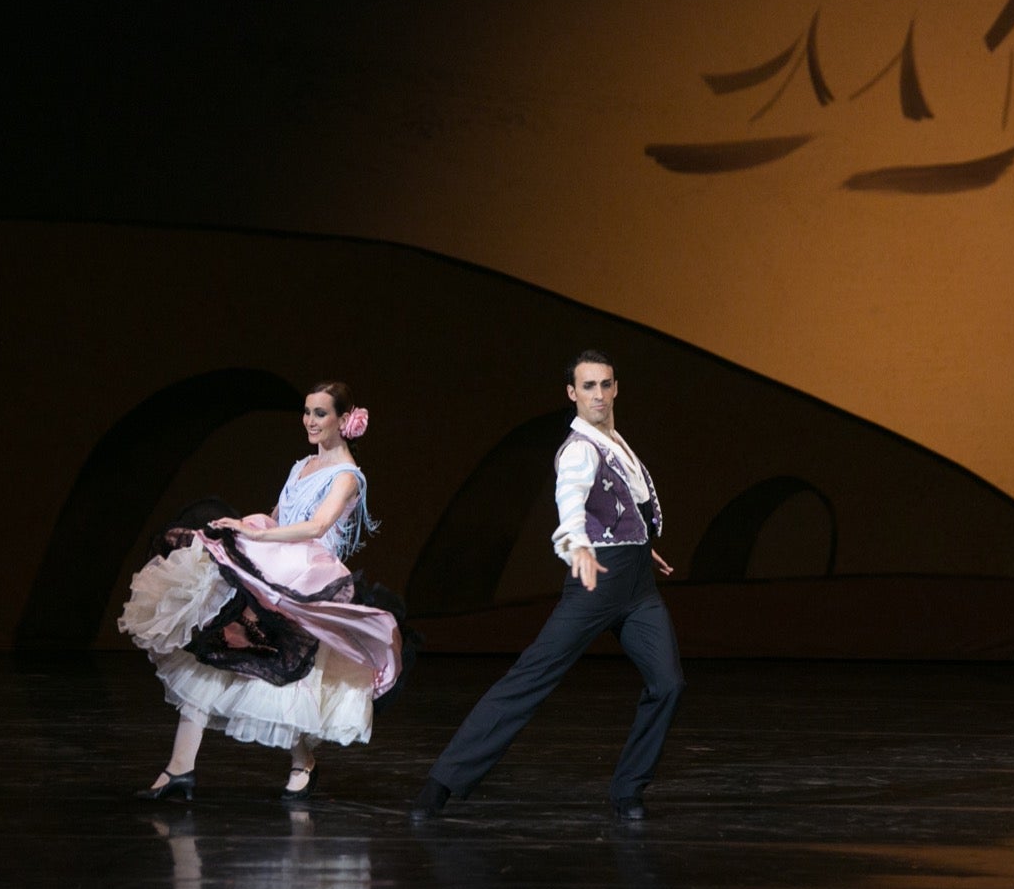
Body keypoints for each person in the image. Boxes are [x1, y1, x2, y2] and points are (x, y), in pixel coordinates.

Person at [410, 350, 684, 821]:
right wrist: (579, 546)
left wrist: (638, 544)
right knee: (531, 678)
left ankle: (628, 791)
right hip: (596, 582)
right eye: (588, 386)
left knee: (669, 683)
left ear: (616, 388)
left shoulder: (614, 439)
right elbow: (570, 503)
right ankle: (441, 783)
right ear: (572, 394)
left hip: (637, 587)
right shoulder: (580, 448)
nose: (598, 394)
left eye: (605, 384)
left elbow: (623, 505)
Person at [118, 380, 401, 802]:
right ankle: (181, 767)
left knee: (275, 674)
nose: (310, 421)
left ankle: (301, 761)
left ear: (344, 420)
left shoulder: (348, 477)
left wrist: (263, 540)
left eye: (320, 413)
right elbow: (280, 514)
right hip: (273, 562)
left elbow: (317, 527)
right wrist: (248, 529)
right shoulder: (301, 465)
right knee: (216, 647)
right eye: (307, 412)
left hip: (304, 575)